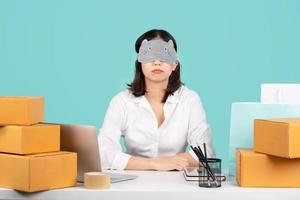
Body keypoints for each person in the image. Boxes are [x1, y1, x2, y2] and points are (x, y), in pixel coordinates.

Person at [98, 29, 215, 171]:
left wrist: (172, 162)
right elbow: (104, 153)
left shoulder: (190, 100)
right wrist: (156, 164)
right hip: (133, 184)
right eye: (149, 55)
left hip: (178, 184)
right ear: (140, 62)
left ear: (174, 64)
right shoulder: (121, 102)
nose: (157, 62)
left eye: (165, 56)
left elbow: (206, 152)